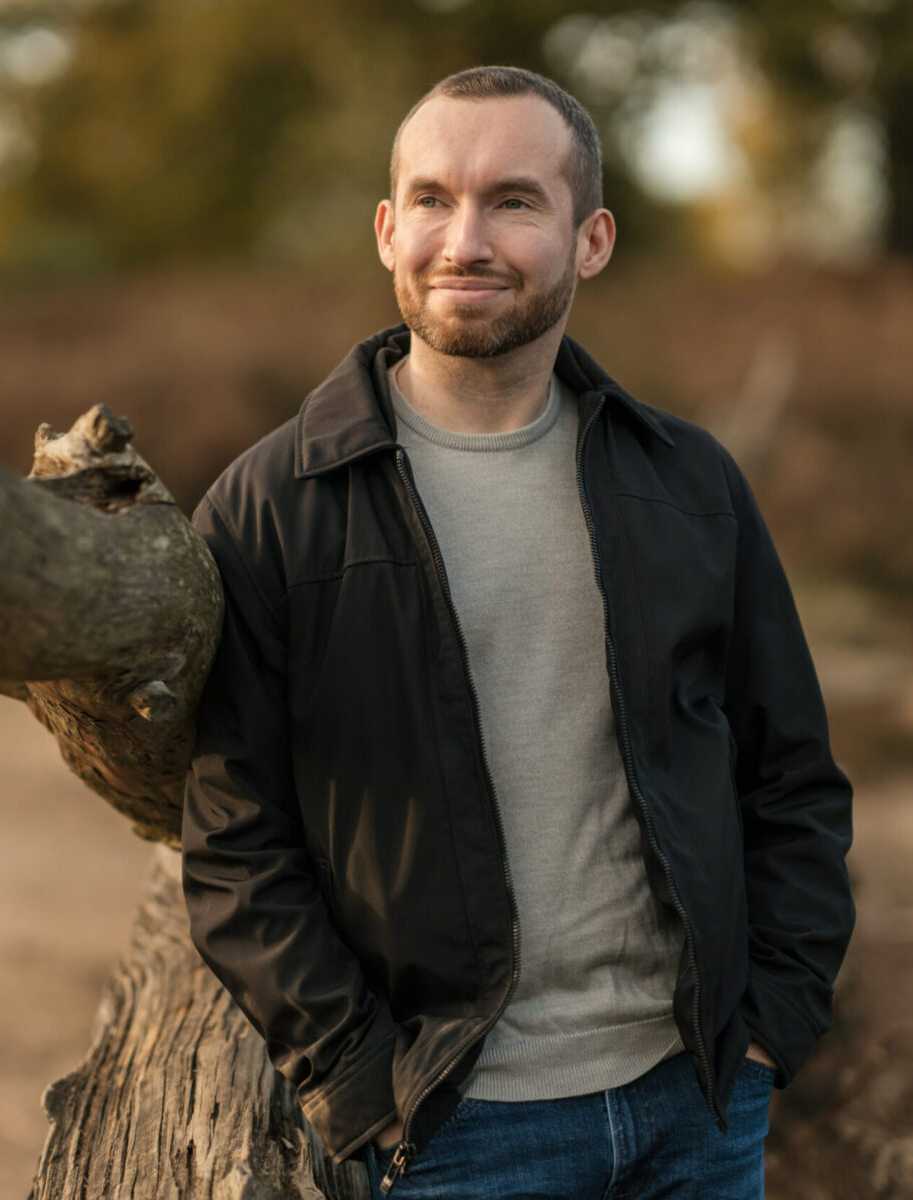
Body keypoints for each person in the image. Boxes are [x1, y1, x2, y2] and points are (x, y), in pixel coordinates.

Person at [181, 65, 854, 1199]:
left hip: (693, 1101)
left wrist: (768, 1030)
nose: (466, 238)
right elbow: (236, 840)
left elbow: (788, 774)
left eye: (514, 201)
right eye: (434, 199)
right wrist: (359, 1083)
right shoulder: (273, 509)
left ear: (589, 240)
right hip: (451, 1127)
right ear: (387, 230)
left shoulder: (687, 483)